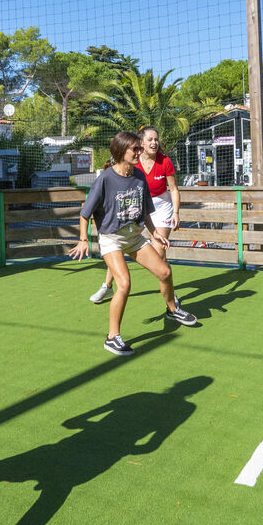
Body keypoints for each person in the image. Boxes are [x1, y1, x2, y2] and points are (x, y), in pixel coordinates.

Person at [69, 131, 198, 356]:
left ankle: (172, 309)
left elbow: (146, 212)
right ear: (121, 152)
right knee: (125, 283)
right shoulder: (106, 179)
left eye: (140, 148)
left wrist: (155, 233)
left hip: (135, 236)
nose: (140, 152)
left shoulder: (139, 177)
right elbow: (84, 214)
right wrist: (83, 240)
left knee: (165, 272)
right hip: (111, 238)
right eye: (135, 149)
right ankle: (112, 337)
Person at [89, 126, 181, 304]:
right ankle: (107, 286)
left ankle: (170, 295)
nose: (154, 143)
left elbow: (174, 189)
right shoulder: (132, 160)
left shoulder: (165, 162)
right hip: (136, 205)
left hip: (161, 206)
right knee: (118, 244)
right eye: (150, 140)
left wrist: (176, 212)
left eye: (156, 139)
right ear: (141, 144)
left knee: (159, 250)